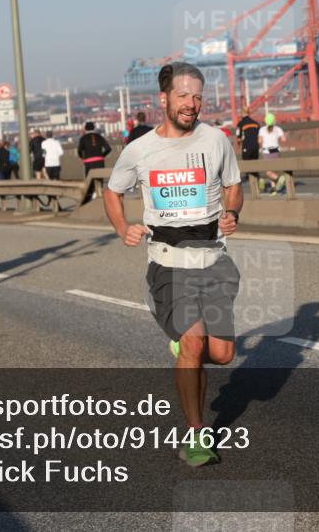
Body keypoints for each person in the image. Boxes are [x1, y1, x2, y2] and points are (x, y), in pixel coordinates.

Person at [103, 61, 242, 468]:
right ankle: (196, 435)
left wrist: (233, 212)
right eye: (183, 96)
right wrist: (122, 227)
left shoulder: (216, 141)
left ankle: (185, 347)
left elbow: (234, 186)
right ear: (163, 99)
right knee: (195, 343)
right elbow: (112, 192)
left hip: (213, 261)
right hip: (169, 263)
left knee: (222, 355)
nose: (191, 104)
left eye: (197, 96)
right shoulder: (140, 149)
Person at [257, 113, 287, 195]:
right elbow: (284, 140)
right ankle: (274, 189)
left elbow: (259, 141)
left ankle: (279, 179)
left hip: (267, 152)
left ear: (265, 121)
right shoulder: (278, 129)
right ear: (274, 121)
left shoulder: (262, 129)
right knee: (273, 171)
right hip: (276, 151)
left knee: (268, 172)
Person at [235, 107, 260, 184]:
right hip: (255, 146)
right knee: (254, 162)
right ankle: (256, 179)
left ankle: (249, 179)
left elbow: (238, 138)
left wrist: (238, 145)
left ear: (242, 113)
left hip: (246, 146)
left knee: (246, 162)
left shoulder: (240, 124)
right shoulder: (256, 123)